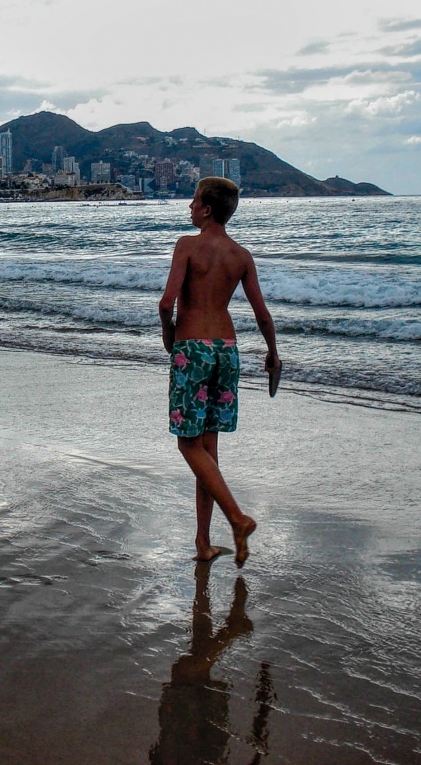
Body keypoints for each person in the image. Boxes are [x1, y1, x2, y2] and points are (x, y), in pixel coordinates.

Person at [159, 177, 280, 566]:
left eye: (194, 202)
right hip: (227, 352)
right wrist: (273, 355)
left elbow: (166, 303)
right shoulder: (241, 255)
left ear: (207, 209)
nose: (189, 208)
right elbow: (262, 315)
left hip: (192, 349)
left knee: (187, 445)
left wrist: (171, 338)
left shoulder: (188, 246)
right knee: (207, 452)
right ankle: (203, 543)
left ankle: (238, 518)